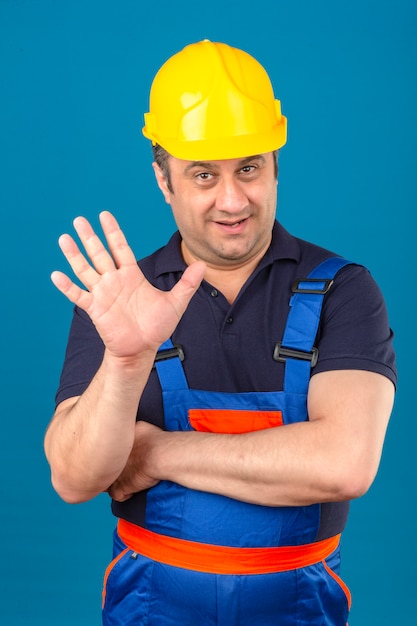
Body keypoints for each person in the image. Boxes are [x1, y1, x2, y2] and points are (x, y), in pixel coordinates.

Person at [44, 40, 396, 626]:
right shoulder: (120, 299)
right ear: (164, 179)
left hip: (298, 605)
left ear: (276, 164)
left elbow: (344, 463)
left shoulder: (345, 289)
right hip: (149, 605)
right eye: (204, 174)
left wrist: (155, 451)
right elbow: (75, 478)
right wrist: (127, 363)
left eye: (249, 168)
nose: (232, 201)